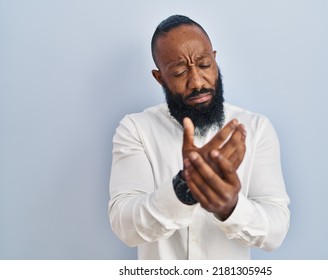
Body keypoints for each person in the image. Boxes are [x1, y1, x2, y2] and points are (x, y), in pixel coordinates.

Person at [108, 14, 290, 260]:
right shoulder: (135, 129)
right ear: (160, 77)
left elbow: (275, 230)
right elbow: (124, 225)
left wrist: (230, 208)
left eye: (204, 65)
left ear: (214, 60)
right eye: (180, 72)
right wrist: (184, 187)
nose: (196, 82)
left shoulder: (256, 128)